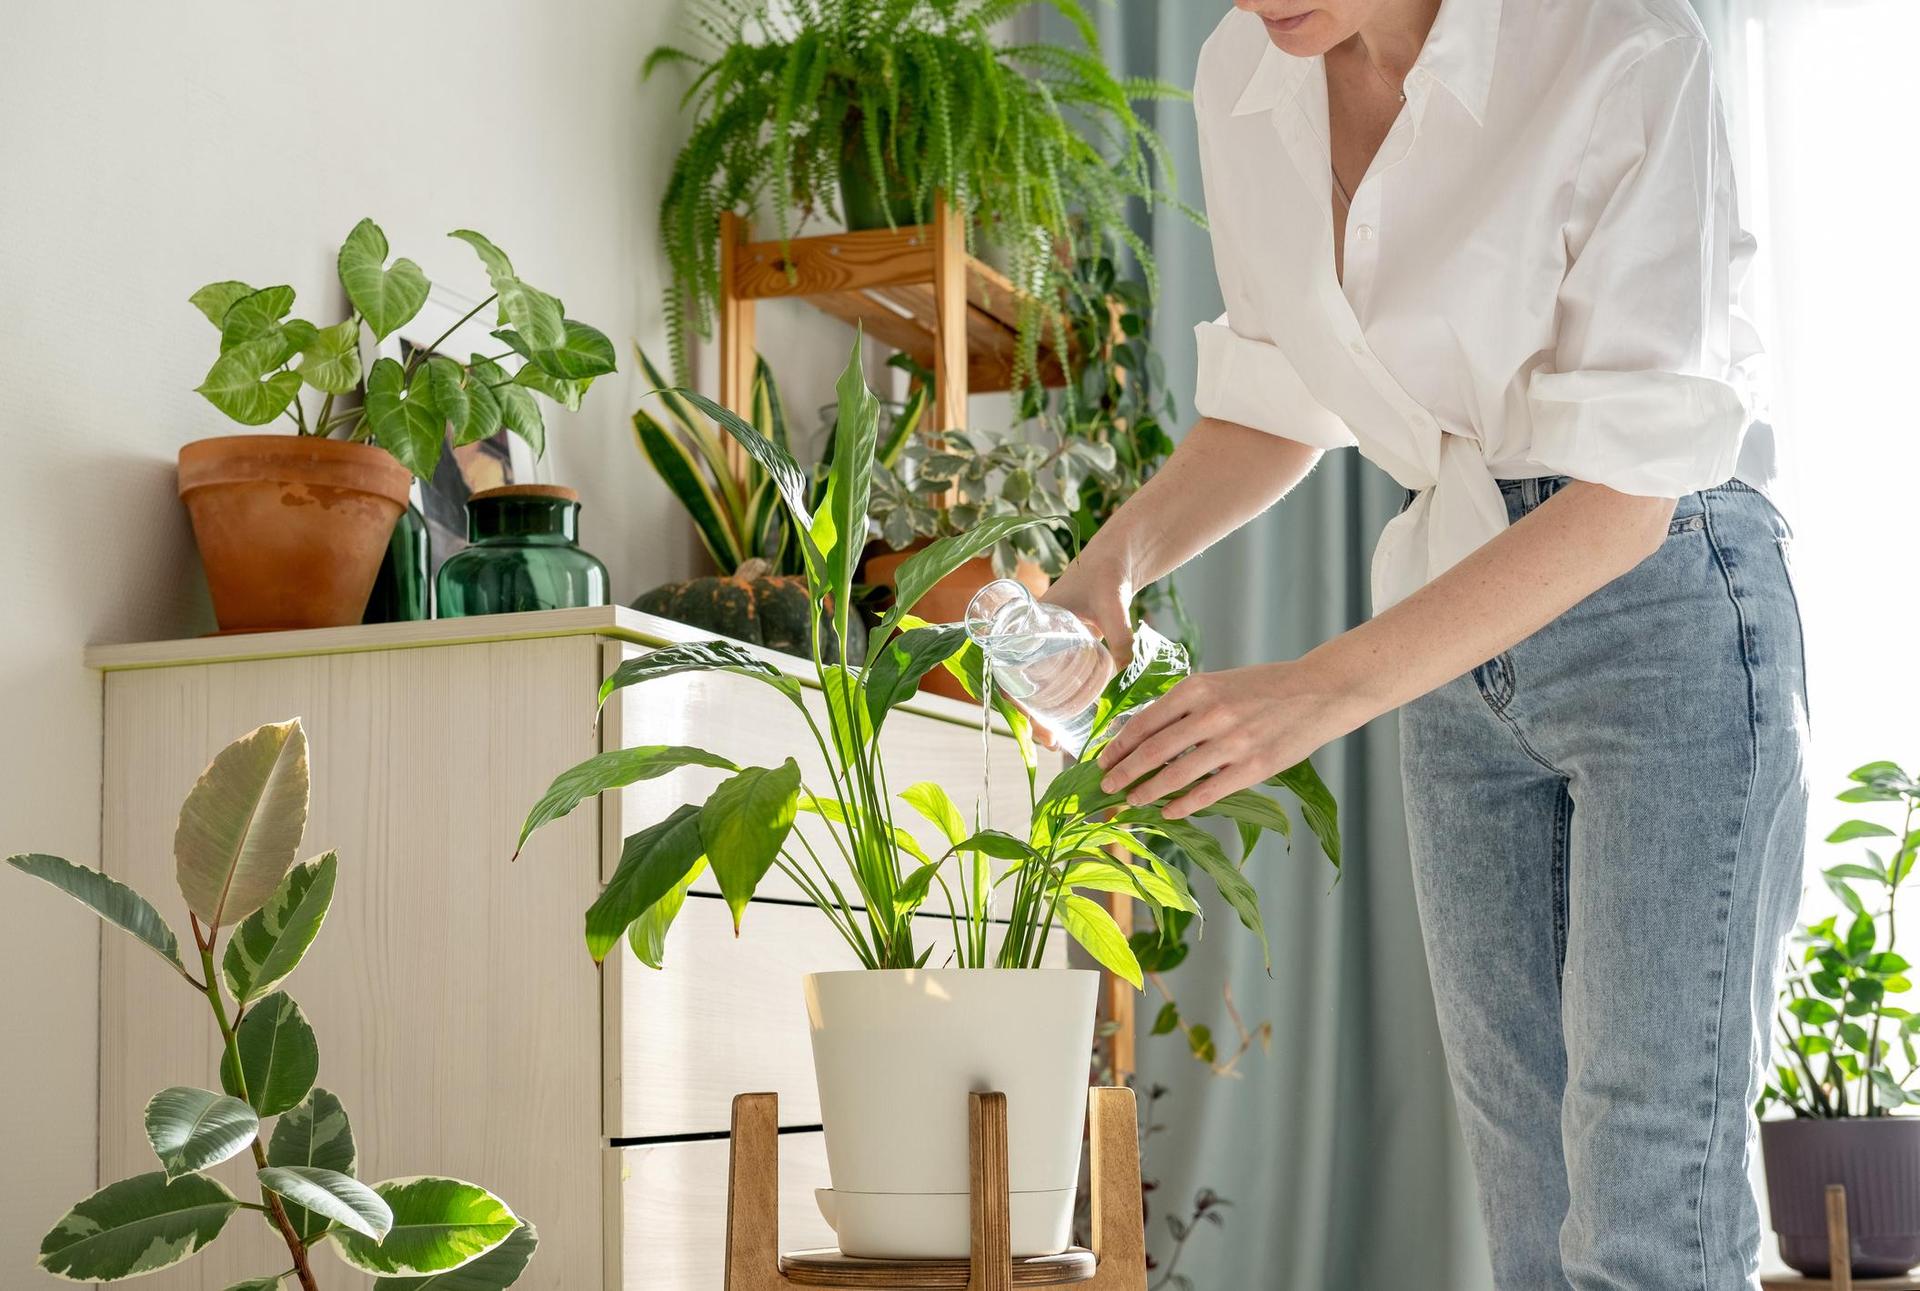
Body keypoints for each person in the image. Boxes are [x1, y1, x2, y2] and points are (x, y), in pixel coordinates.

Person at [1045, 0, 1807, 1286]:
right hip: (1456, 608)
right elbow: (1277, 397)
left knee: (1643, 1207)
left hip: (1662, 601)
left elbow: (1626, 494)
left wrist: (1312, 692)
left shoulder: (1622, 46)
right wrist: (1103, 571)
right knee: (1526, 1208)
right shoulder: (1250, 74)